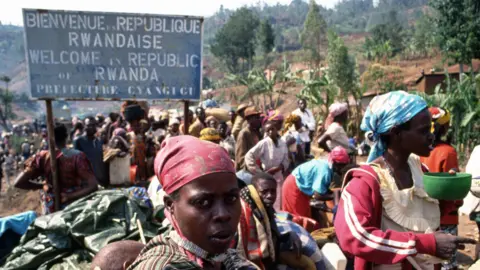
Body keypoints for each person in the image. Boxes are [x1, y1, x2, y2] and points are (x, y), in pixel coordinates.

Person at [334, 91, 475, 269]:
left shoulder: (420, 170)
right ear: (396, 133)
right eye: (423, 130)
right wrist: (425, 243)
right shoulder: (365, 182)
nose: (431, 135)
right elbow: (355, 237)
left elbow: (421, 216)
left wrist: (448, 196)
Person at [129, 136, 257, 269]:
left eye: (231, 199)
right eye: (203, 202)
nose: (223, 214)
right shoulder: (163, 266)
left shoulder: (230, 261)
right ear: (170, 205)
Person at [237, 172, 325, 270]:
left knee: (308, 264)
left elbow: (272, 237)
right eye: (264, 192)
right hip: (258, 261)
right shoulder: (248, 214)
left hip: (273, 255)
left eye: (273, 191)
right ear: (254, 191)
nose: (270, 195)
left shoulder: (267, 210)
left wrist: (290, 235)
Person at [15, 123, 97, 214]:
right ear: (66, 137)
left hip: (51, 208)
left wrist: (41, 186)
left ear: (48, 138)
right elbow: (93, 185)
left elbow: (19, 182)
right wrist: (69, 196)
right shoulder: (77, 156)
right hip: (73, 206)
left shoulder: (41, 157)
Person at [419, 107, 461, 270]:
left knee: (428, 261)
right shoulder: (448, 152)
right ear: (444, 127)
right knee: (446, 263)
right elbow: (452, 189)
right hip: (445, 216)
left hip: (422, 214)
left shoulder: (418, 151)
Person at [282, 147, 350, 219]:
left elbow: (323, 190)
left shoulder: (328, 166)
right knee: (298, 219)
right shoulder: (325, 170)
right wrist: (335, 196)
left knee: (305, 215)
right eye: (341, 165)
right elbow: (318, 195)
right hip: (294, 187)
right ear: (335, 162)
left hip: (301, 186)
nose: (342, 168)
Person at [245, 121, 289, 211]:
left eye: (272, 129)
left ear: (276, 129)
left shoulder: (282, 143)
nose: (270, 132)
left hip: (279, 176)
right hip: (268, 176)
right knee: (268, 200)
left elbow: (286, 158)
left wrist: (280, 167)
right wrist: (259, 173)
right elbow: (249, 156)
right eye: (267, 130)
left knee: (279, 201)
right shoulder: (264, 143)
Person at [74, 117, 108, 187]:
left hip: (101, 180)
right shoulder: (79, 141)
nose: (92, 127)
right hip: (87, 183)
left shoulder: (98, 141)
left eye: (94, 125)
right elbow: (76, 163)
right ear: (84, 126)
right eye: (89, 125)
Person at [235, 107, 262, 171]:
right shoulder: (244, 134)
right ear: (249, 119)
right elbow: (240, 158)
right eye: (257, 117)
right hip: (250, 171)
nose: (259, 119)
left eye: (259, 117)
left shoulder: (258, 132)